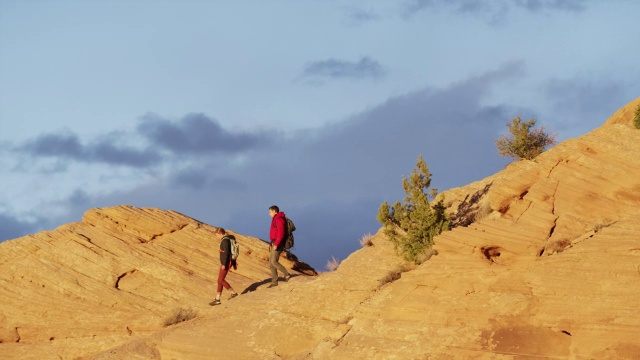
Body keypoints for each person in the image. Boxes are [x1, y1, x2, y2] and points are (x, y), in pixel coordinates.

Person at [209, 227, 238, 306]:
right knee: (219, 280)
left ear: (220, 233)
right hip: (227, 262)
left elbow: (226, 253)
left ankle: (233, 293)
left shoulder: (225, 241)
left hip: (226, 262)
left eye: (217, 235)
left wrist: (224, 264)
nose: (216, 237)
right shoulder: (227, 239)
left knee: (221, 279)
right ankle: (217, 298)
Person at [267, 205, 291, 288]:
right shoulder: (275, 219)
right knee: (271, 264)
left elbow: (281, 233)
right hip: (274, 243)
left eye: (270, 212)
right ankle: (274, 281)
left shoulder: (279, 219)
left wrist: (276, 244)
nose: (269, 214)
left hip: (278, 243)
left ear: (274, 211)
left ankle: (287, 274)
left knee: (274, 262)